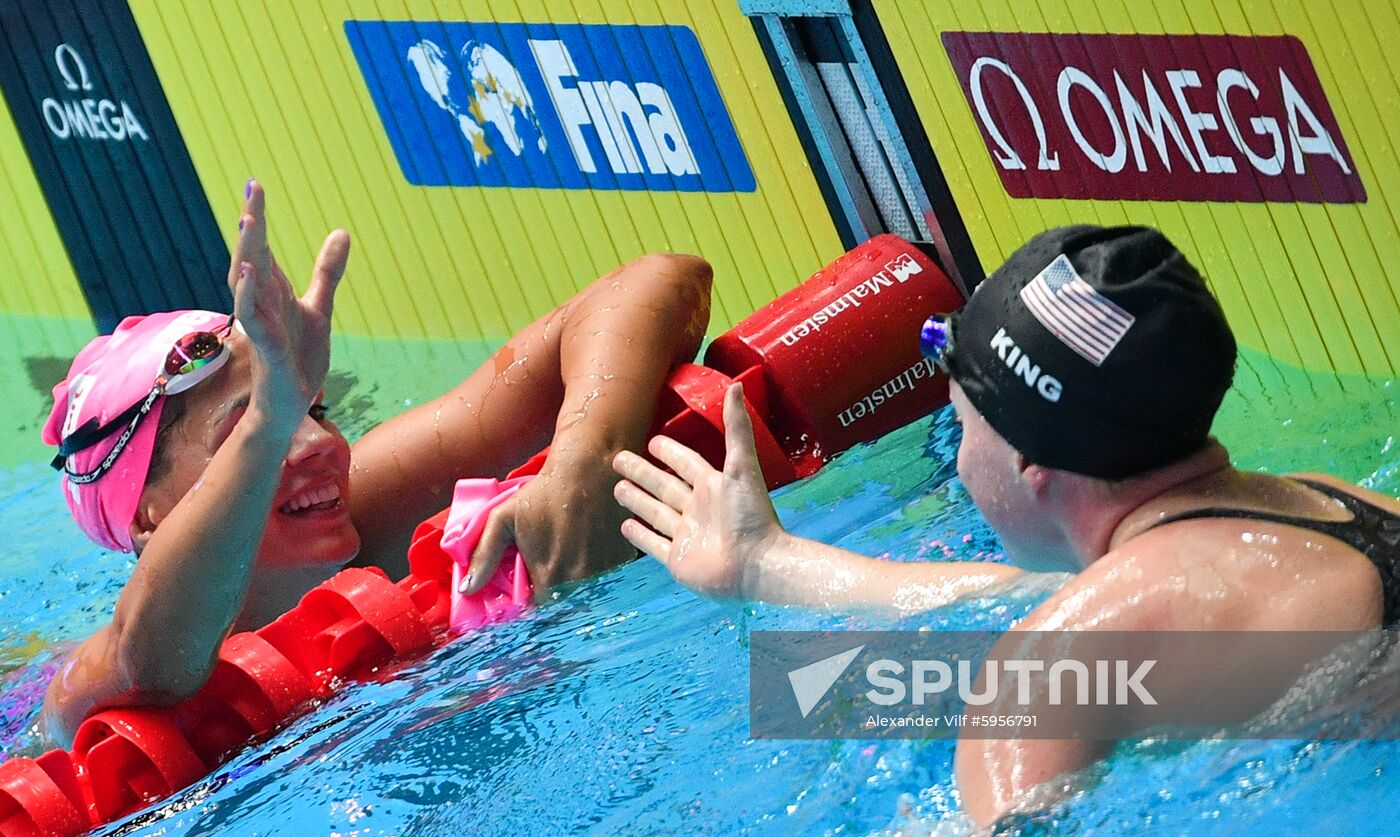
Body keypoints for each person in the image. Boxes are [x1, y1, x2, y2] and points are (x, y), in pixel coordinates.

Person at [610, 225, 1400, 826]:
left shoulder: (1049, 669)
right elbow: (1035, 596)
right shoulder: (1327, 504)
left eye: (960, 426)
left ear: (1030, 464)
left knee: (818, 690)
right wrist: (765, 561)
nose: (957, 463)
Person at [39, 181, 713, 746]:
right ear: (148, 516)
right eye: (249, 426)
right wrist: (272, 421)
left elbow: (661, 280)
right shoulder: (82, 692)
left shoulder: (360, 503)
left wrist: (583, 462)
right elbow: (150, 658)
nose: (318, 445)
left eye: (315, 408)